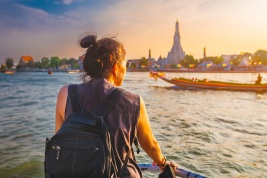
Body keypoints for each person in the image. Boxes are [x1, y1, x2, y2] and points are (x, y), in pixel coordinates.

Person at [55, 34, 176, 177]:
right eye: (126, 65)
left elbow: (60, 139)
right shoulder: (134, 101)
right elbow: (150, 145)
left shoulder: (65, 93)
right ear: (116, 67)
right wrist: (163, 163)